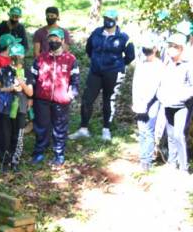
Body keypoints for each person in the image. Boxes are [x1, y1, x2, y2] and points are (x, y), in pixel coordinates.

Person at [69, 9, 135, 142]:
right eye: (105, 18)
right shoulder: (96, 33)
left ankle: (106, 129)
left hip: (113, 72)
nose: (107, 21)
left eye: (111, 19)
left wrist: (117, 65)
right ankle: (83, 129)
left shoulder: (124, 37)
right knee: (87, 99)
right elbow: (89, 49)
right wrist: (95, 60)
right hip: (95, 71)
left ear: (117, 20)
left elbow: (130, 56)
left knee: (108, 100)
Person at [30, 28, 79, 165]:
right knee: (41, 126)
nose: (53, 42)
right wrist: (31, 97)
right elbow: (32, 78)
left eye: (56, 39)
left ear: (63, 41)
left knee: (60, 127)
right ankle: (39, 152)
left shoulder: (70, 59)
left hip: (61, 100)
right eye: (50, 39)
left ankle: (59, 154)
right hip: (42, 99)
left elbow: (75, 80)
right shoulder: (41, 58)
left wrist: (70, 95)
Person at [0, 43, 33, 172]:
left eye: (19, 55)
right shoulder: (3, 70)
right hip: (5, 107)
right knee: (5, 135)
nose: (17, 58)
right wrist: (10, 88)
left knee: (18, 136)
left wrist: (21, 82)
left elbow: (31, 92)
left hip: (20, 107)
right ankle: (5, 162)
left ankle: (15, 162)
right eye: (14, 56)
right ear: (10, 56)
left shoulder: (27, 72)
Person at [157, 32, 193, 172]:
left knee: (178, 135)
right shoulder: (167, 64)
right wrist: (161, 95)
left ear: (181, 49)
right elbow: (161, 83)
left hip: (182, 106)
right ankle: (172, 163)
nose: (171, 49)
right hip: (167, 104)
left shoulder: (188, 66)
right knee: (171, 135)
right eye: (169, 46)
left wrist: (181, 97)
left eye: (174, 46)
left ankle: (184, 167)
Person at [131, 35, 163, 171]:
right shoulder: (141, 63)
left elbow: (154, 87)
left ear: (155, 49)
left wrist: (144, 103)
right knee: (142, 131)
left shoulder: (159, 66)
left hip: (151, 104)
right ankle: (143, 157)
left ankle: (146, 161)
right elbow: (135, 83)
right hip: (139, 102)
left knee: (148, 131)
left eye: (149, 48)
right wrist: (135, 102)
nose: (146, 51)